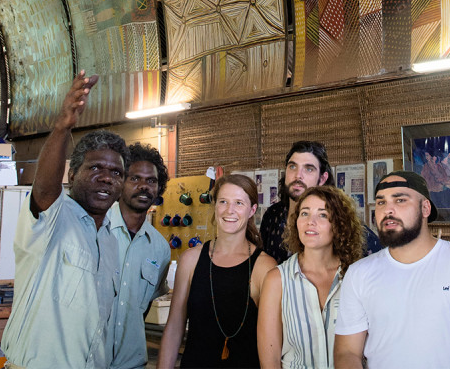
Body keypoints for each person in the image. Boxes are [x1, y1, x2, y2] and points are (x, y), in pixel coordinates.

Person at [1, 72, 129, 369]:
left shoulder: (111, 239)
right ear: (72, 174)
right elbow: (45, 188)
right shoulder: (53, 218)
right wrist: (62, 127)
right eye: (96, 167)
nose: (107, 178)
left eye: (117, 173)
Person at [334, 171, 450, 369]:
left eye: (400, 200)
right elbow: (347, 352)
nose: (388, 210)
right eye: (381, 202)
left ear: (425, 208)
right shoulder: (359, 274)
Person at [157, 174, 277, 369]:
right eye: (223, 201)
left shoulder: (265, 267)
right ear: (215, 206)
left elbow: (271, 342)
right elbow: (174, 329)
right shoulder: (191, 260)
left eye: (239, 203)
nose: (230, 210)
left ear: (251, 210)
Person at [258, 185, 363, 369]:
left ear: (339, 224)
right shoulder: (277, 280)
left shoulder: (355, 276)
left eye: (322, 214)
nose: (310, 222)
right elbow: (270, 361)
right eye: (304, 213)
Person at [259, 141, 381, 264]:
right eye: (292, 166)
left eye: (309, 169)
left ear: (322, 178)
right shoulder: (272, 215)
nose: (298, 175)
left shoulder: (341, 219)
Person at [108, 142, 171, 369]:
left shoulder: (160, 249)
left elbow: (142, 310)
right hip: (86, 361)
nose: (143, 186)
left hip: (130, 363)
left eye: (151, 181)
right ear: (120, 182)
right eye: (135, 179)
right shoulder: (96, 230)